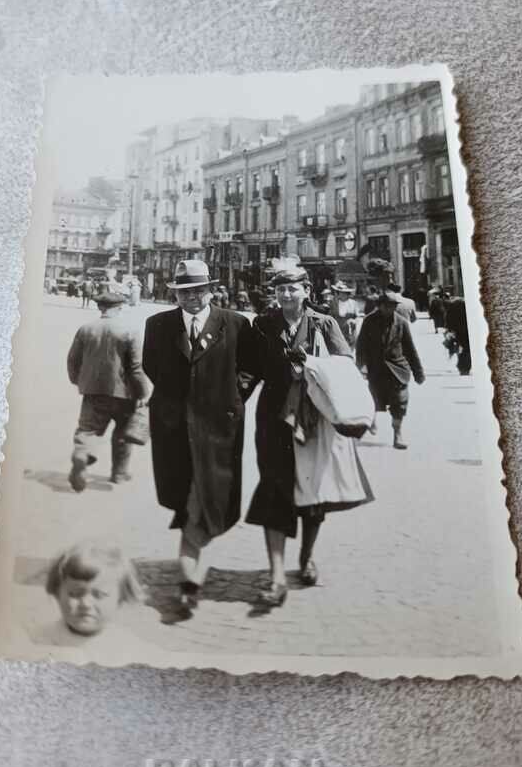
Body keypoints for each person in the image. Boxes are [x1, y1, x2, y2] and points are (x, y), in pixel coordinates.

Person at [245, 265, 373, 607]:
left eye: (293, 289)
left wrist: (314, 364)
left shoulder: (324, 323)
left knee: (313, 493)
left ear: (306, 291)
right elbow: (249, 370)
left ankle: (306, 557)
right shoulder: (262, 325)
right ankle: (275, 577)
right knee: (274, 490)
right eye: (281, 289)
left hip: (314, 420)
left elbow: (346, 366)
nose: (287, 295)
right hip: (273, 419)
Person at [142, 259, 255, 614]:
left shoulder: (235, 324)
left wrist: (234, 397)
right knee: (189, 495)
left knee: (208, 496)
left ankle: (189, 574)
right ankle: (189, 575)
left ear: (211, 290)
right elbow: (151, 366)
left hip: (219, 428)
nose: (191, 298)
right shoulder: (158, 325)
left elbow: (251, 366)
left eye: (198, 291)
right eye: (184, 293)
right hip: (175, 429)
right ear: (175, 294)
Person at [67, 289, 148, 491]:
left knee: (87, 429)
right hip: (124, 393)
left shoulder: (86, 329)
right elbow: (136, 367)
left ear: (100, 307)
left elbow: (73, 360)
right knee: (122, 433)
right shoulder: (130, 330)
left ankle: (82, 454)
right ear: (120, 308)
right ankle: (119, 474)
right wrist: (143, 393)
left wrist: (78, 381)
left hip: (93, 391)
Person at [355, 291, 425, 449]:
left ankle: (397, 434)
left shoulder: (401, 323)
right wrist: (362, 366)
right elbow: (361, 346)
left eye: (393, 306)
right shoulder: (369, 321)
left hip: (398, 370)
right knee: (374, 400)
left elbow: (410, 349)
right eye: (387, 306)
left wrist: (418, 372)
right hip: (376, 370)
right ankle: (371, 419)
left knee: (400, 403)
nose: (390, 309)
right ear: (379, 306)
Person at [46, 542, 146, 636]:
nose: (85, 603)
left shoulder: (129, 649)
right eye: (75, 594)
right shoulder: (37, 643)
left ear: (121, 599)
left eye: (100, 595)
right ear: (57, 594)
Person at [330, 280, 359, 348]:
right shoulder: (334, 303)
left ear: (348, 294)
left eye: (344, 293)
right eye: (340, 293)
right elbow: (331, 316)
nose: (342, 294)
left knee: (350, 348)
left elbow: (357, 317)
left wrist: (354, 321)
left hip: (350, 330)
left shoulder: (353, 303)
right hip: (338, 329)